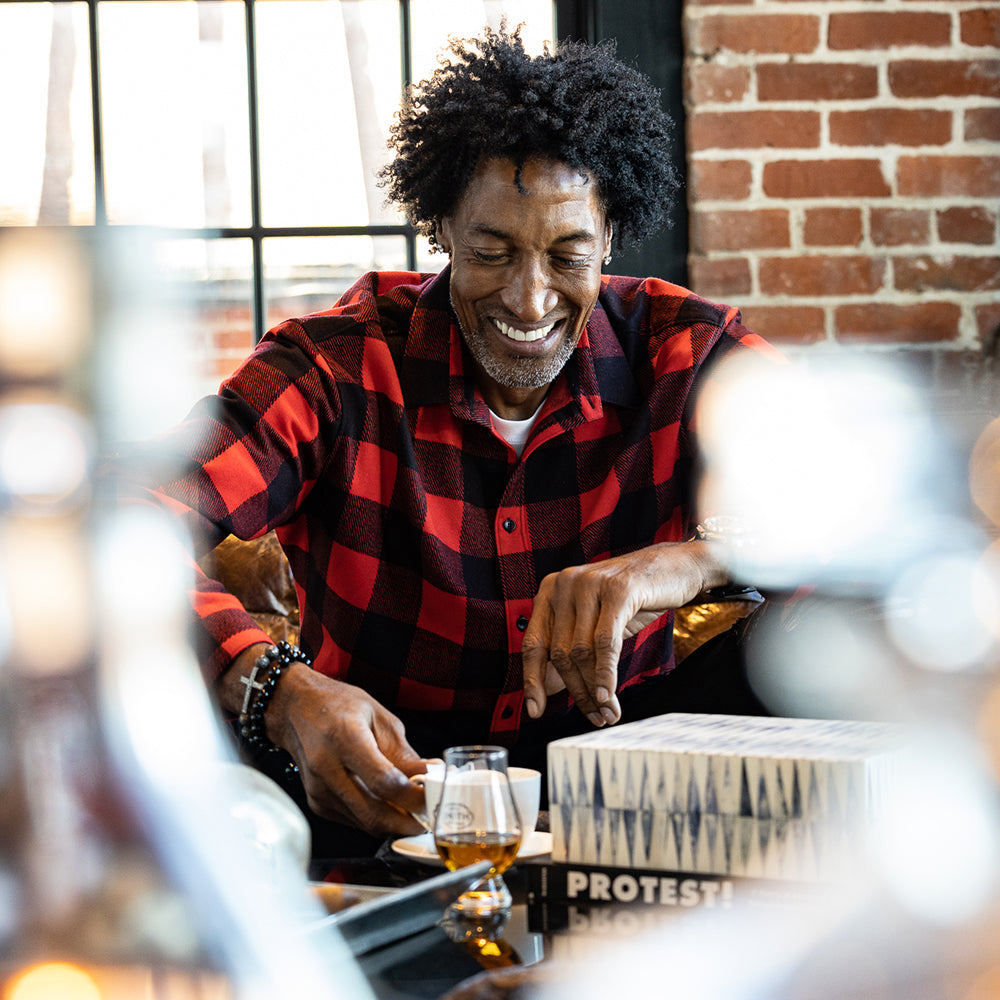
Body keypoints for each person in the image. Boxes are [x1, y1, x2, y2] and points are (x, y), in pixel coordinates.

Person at [126, 27, 781, 855]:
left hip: (631, 781)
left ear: (611, 236)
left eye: (568, 254)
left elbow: (876, 516)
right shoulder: (334, 368)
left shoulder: (690, 353)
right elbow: (113, 523)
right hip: (387, 786)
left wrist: (692, 560)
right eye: (491, 251)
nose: (531, 297)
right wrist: (278, 690)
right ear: (440, 227)